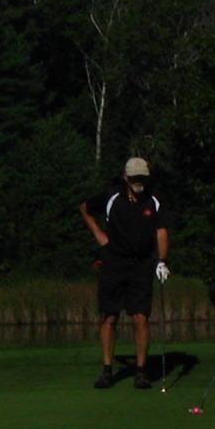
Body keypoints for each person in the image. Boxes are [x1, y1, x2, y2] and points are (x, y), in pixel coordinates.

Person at [81, 156, 171, 390]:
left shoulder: (154, 199)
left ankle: (141, 371)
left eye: (142, 178)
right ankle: (107, 370)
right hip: (114, 261)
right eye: (134, 178)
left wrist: (162, 261)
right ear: (125, 178)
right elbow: (85, 208)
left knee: (141, 317)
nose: (139, 182)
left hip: (142, 263)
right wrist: (99, 235)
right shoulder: (112, 196)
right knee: (110, 316)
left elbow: (162, 231)